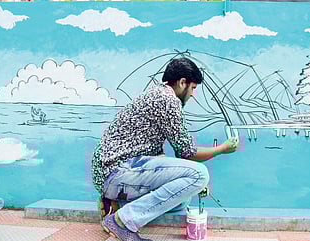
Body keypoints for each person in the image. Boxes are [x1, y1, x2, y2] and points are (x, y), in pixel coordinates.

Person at [91, 57, 239, 241]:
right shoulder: (169, 101)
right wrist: (222, 148)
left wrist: (188, 183)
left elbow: (161, 155)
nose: (193, 94)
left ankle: (116, 204)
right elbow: (187, 152)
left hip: (112, 172)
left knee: (182, 198)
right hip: (116, 171)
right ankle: (122, 221)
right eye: (193, 88)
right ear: (182, 82)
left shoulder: (156, 94)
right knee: (200, 175)